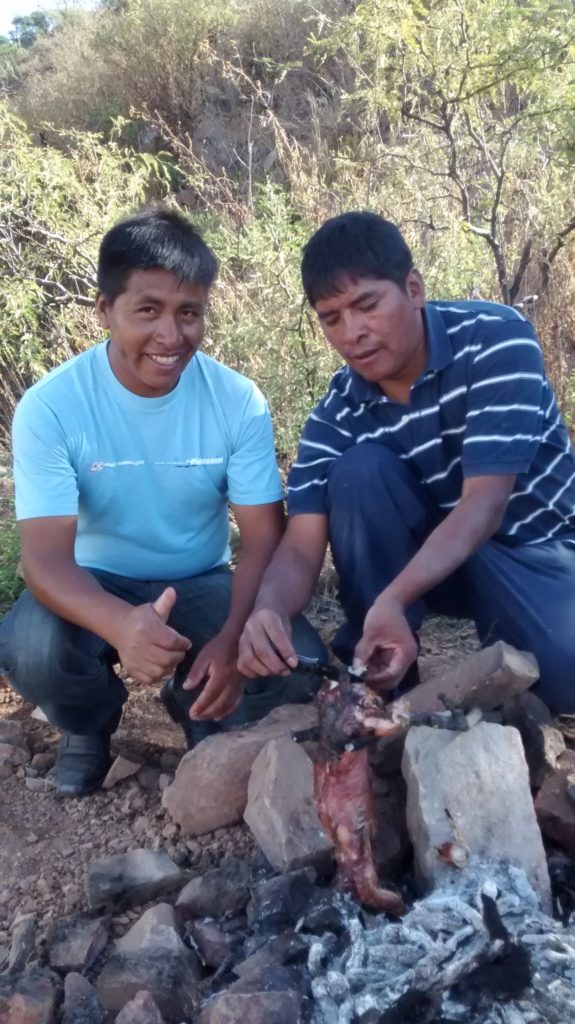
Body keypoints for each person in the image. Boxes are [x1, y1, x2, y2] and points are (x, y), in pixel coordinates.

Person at [0, 207, 325, 796]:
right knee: (30, 645)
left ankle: (198, 699)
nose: (171, 336)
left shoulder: (236, 400)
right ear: (106, 310)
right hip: (96, 578)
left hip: (201, 577)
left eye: (189, 313)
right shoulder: (51, 406)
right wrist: (124, 625)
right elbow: (43, 560)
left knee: (292, 658)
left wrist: (230, 643)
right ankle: (87, 725)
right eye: (147, 310)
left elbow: (262, 539)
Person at [238, 210, 575, 714]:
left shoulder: (495, 340)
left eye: (366, 305)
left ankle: (424, 626)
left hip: (529, 550)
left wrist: (393, 598)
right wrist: (268, 608)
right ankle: (384, 678)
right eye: (332, 318)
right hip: (432, 567)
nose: (353, 332)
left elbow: (485, 505)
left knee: (562, 681)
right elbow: (302, 544)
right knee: (357, 473)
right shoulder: (336, 414)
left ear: (413, 289)